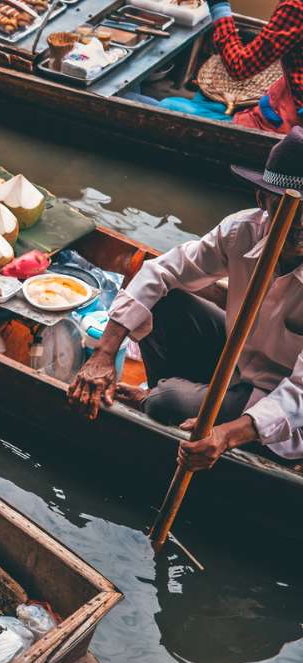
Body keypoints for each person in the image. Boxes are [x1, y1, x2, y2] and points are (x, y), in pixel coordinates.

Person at [68, 127, 303, 471]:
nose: (298, 225)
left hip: (284, 405)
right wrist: (103, 354)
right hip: (242, 365)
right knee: (165, 300)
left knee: (167, 401)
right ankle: (175, 408)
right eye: (287, 208)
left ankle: (169, 406)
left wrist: (227, 434)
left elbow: (299, 393)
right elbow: (160, 271)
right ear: (262, 200)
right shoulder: (242, 231)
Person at [207, 0, 302, 133]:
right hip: (281, 100)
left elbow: (239, 66)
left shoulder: (296, 7)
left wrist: (219, 7)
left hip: (287, 124)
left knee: (170, 105)